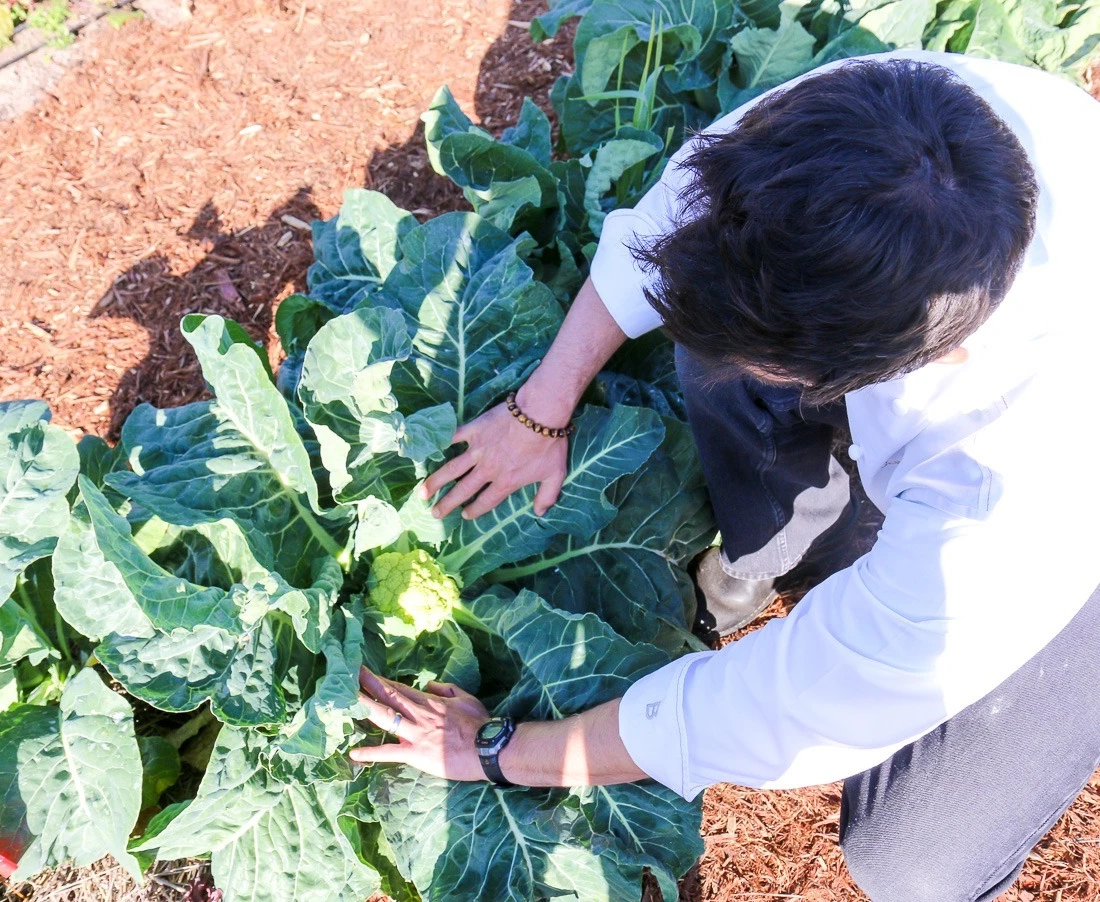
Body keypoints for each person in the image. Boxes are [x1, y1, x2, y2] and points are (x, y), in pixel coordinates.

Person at [347, 49, 1100, 901]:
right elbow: (672, 231)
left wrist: (498, 753)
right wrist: (539, 409)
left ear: (868, 372)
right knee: (716, 339)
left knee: (913, 860)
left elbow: (787, 710)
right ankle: (770, 562)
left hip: (1080, 555)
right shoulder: (866, 129)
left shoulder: (999, 502)